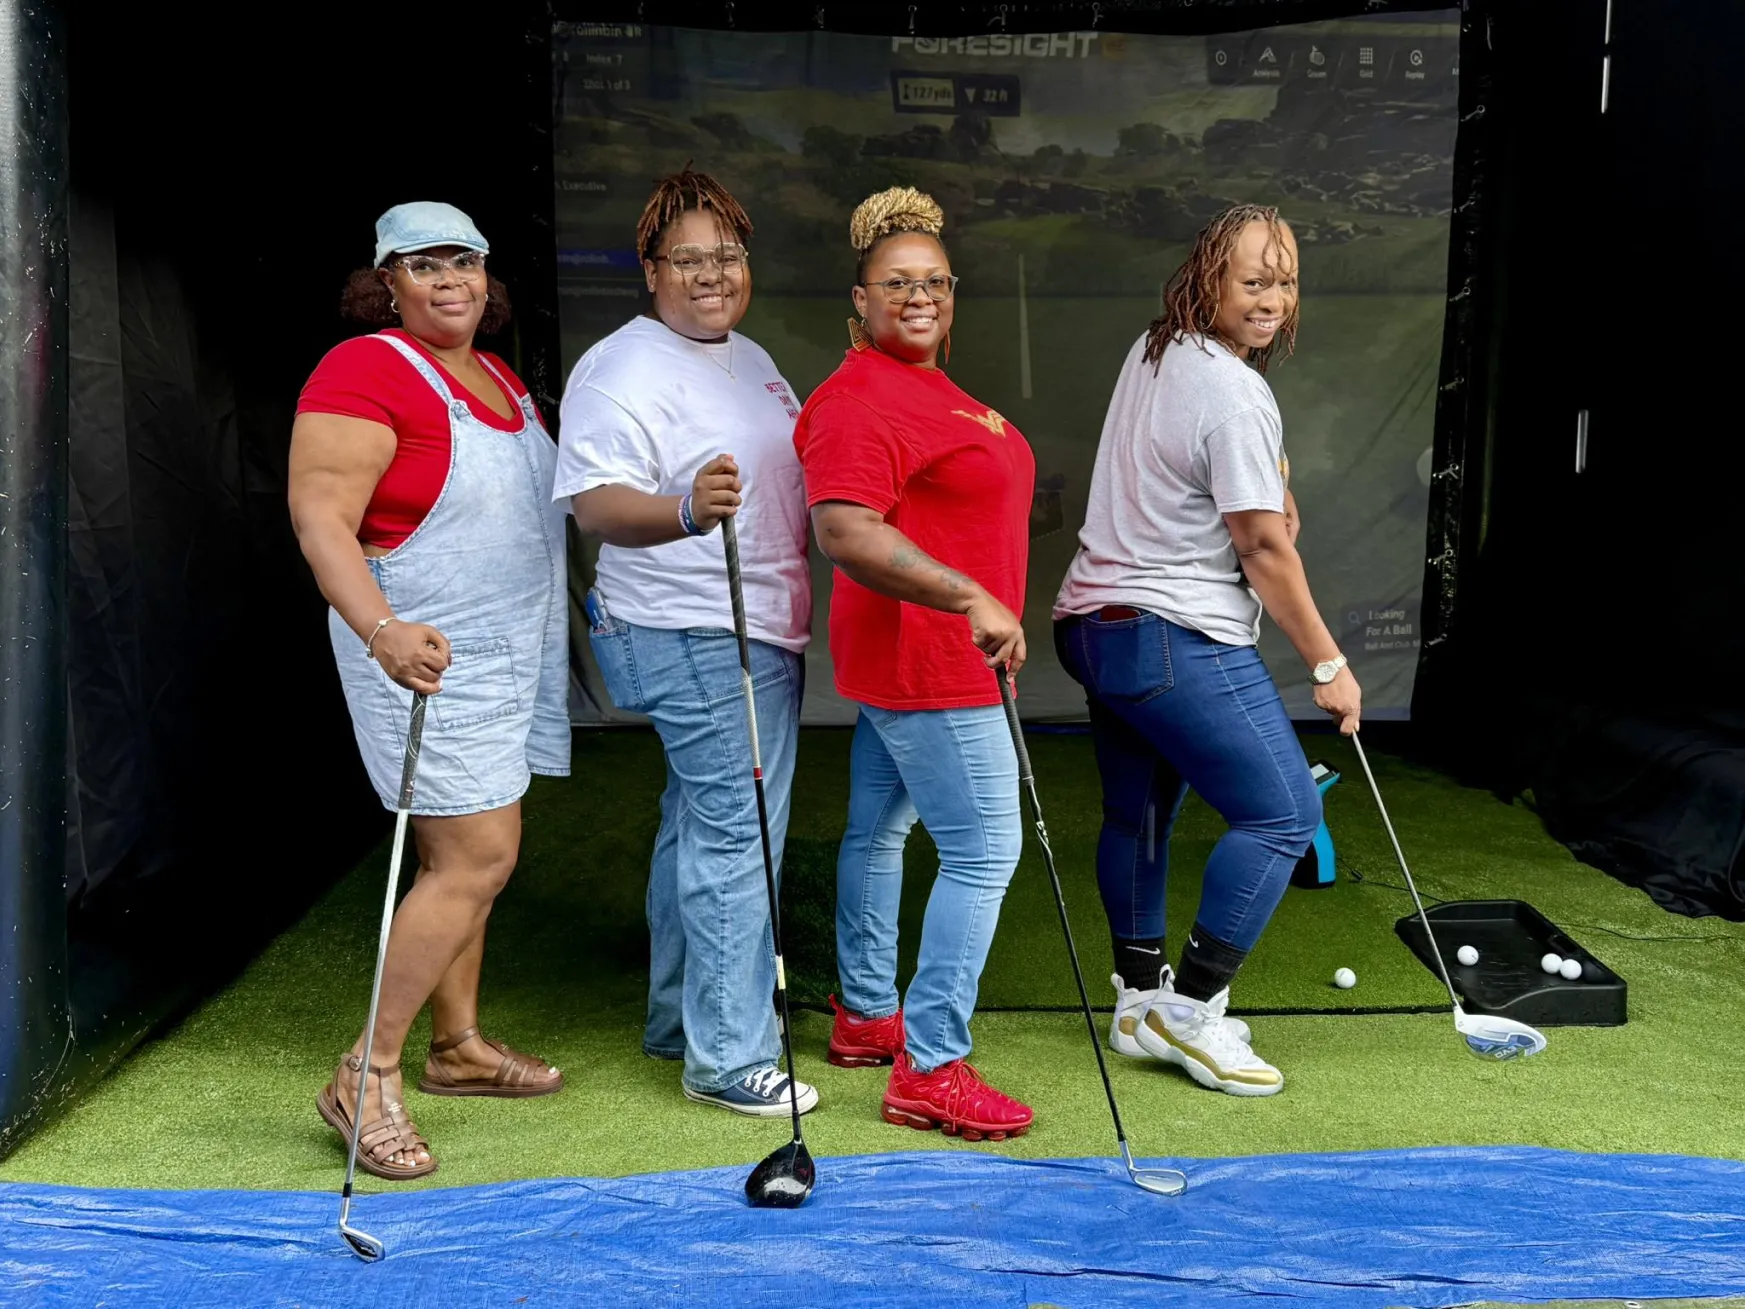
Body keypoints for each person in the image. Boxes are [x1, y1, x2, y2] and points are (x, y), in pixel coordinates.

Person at [1052, 203, 1362, 1099]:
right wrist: (1329, 665)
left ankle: (1138, 1000)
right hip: (1166, 632)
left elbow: (1249, 510)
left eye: (1284, 280)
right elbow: (1264, 549)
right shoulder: (1234, 391)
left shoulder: (1155, 349)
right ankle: (1191, 1012)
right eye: (1251, 281)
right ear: (1208, 281)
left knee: (1138, 815)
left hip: (1094, 629)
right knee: (1281, 814)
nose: (1270, 299)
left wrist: (1274, 490)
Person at [289, 202, 569, 1179]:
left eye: (466, 260)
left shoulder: (494, 376)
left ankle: (458, 1049)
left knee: (473, 860)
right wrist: (379, 631)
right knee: (474, 857)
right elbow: (321, 516)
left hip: (507, 646)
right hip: (421, 645)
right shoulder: (364, 366)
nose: (449, 278)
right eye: (423, 264)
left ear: (488, 276)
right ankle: (363, 1072)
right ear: (386, 283)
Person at [554, 167, 817, 1117]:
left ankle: (680, 1019)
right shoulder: (620, 366)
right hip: (691, 628)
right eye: (690, 259)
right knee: (736, 834)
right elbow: (593, 507)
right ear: (651, 269)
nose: (712, 274)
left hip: (749, 626)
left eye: (728, 256)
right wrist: (680, 508)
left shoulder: (748, 358)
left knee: (696, 828)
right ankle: (728, 1053)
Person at [794, 187, 1037, 1141]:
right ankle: (931, 1066)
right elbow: (845, 532)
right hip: (932, 661)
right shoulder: (856, 397)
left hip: (914, 659)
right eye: (896, 283)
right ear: (858, 299)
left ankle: (864, 1016)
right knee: (983, 850)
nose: (919, 295)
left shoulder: (931, 388)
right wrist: (971, 595)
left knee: (878, 832)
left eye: (933, 280)